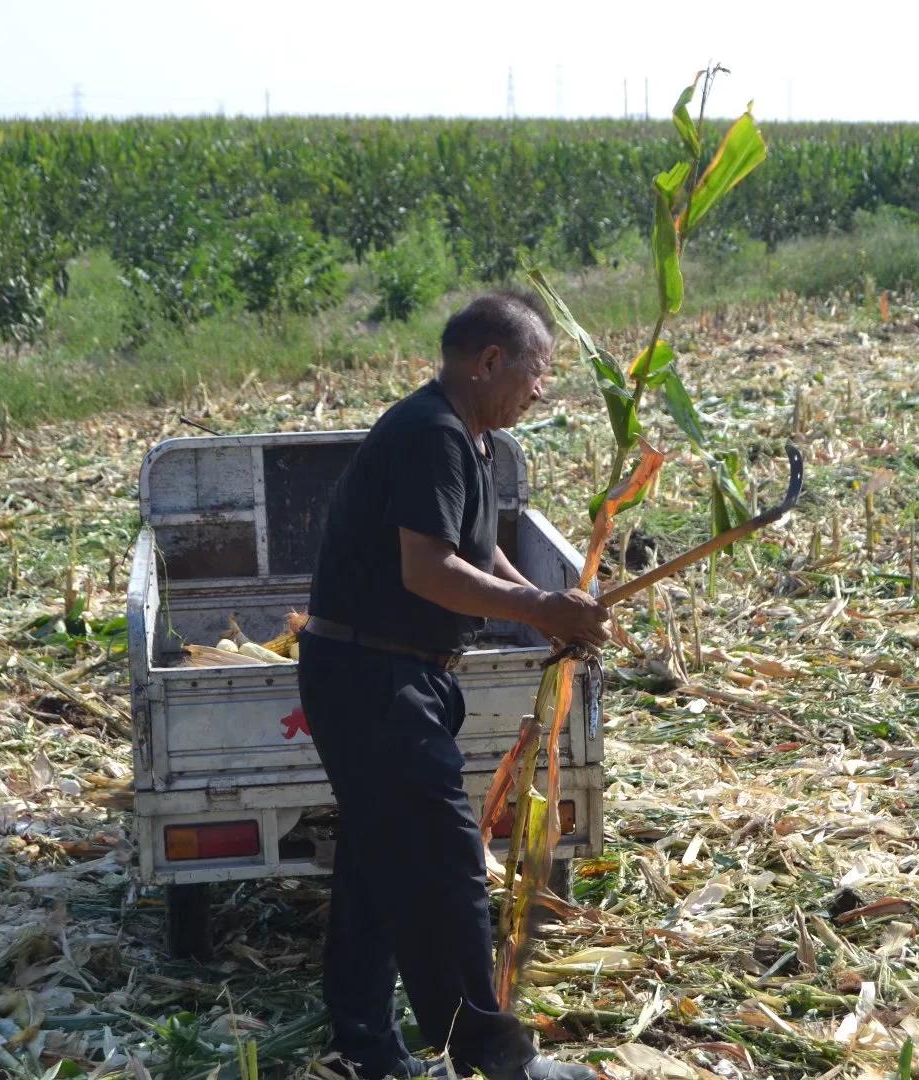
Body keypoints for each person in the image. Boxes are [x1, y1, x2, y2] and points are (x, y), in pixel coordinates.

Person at [298, 290, 611, 1080]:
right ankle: (494, 1060)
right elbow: (427, 570)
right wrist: (540, 605)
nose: (542, 390)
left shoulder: (470, 442)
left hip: (394, 676)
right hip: (374, 677)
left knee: (375, 864)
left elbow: (476, 553)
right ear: (490, 361)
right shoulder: (430, 434)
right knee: (447, 872)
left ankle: (364, 1048)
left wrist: (540, 612)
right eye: (537, 373)